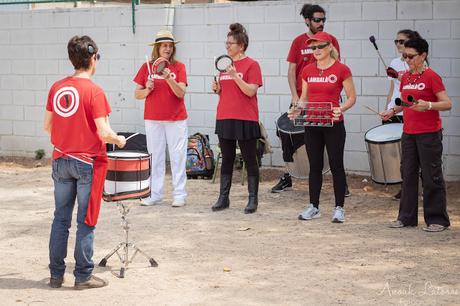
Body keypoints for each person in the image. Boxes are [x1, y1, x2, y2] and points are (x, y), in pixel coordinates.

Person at [44, 35, 126, 289]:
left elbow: (47, 127)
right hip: (87, 163)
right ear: (92, 58)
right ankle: (82, 276)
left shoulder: (57, 87)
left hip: (61, 160)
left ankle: (56, 275)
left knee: (60, 219)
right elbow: (104, 132)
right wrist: (119, 140)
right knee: (86, 220)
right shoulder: (95, 91)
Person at [273, 3, 350, 196]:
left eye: (323, 19)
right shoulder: (298, 42)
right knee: (291, 137)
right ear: (307, 20)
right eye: (317, 19)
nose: (321, 23)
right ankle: (288, 175)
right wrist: (295, 96)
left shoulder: (331, 40)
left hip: (325, 100)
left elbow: (337, 67)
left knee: (330, 141)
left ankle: (339, 183)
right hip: (302, 99)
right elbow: (291, 71)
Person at [380, 37, 452, 232]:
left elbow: (447, 103)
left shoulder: (432, 76)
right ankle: (406, 217)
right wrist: (392, 111)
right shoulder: (406, 77)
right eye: (404, 56)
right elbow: (404, 102)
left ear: (423, 56)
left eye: (411, 56)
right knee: (408, 175)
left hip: (429, 133)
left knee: (431, 176)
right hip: (409, 133)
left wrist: (428, 105)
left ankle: (438, 219)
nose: (407, 60)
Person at [289, 31, 356, 223]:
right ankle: (314, 207)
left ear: (329, 47)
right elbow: (304, 99)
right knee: (315, 166)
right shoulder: (308, 70)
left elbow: (352, 97)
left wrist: (341, 108)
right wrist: (296, 110)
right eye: (313, 47)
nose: (316, 50)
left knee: (336, 166)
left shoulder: (342, 69)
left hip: (334, 124)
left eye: (319, 46)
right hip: (312, 124)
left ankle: (339, 208)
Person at [211, 23, 263, 214]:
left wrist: (235, 76)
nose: (227, 46)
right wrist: (218, 90)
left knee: (250, 159)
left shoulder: (252, 64)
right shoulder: (225, 67)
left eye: (230, 43)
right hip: (224, 116)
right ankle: (223, 198)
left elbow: (250, 91)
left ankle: (252, 199)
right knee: (227, 159)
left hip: (246, 118)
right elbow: (228, 94)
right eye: (226, 43)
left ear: (241, 46)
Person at [134, 30, 188, 207]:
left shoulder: (179, 67)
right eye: (164, 45)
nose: (168, 48)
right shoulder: (146, 67)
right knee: (155, 157)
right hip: (153, 119)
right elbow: (137, 94)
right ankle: (155, 194)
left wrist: (168, 79)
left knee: (177, 156)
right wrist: (148, 88)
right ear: (157, 48)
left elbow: (180, 93)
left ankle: (179, 194)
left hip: (176, 119)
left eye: (170, 45)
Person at [384, 29, 421, 200]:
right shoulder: (394, 61)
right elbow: (393, 89)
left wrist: (399, 77)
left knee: (413, 152)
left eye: (402, 41)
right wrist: (387, 107)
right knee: (399, 152)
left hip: (409, 108)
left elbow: (413, 84)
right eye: (396, 41)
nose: (399, 44)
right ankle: (404, 188)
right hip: (395, 107)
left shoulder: (416, 61)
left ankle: (419, 187)